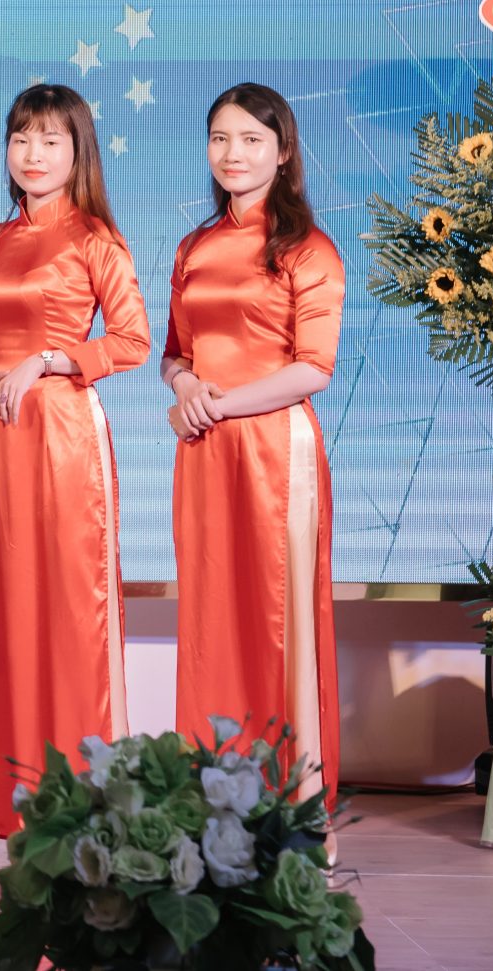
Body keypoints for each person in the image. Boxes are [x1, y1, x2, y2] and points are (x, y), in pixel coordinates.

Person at [0, 82, 149, 839]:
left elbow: (131, 341)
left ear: (78, 152)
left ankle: (84, 793)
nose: (32, 154)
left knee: (72, 610)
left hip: (66, 436)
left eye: (50, 140)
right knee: (7, 608)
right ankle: (17, 795)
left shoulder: (94, 238)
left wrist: (47, 358)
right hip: (0, 438)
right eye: (21, 139)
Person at [161, 84, 343, 793]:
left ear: (283, 150)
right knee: (210, 622)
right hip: (204, 454)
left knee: (275, 618)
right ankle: (210, 795)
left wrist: (217, 405)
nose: (232, 153)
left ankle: (288, 795)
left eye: (250, 139)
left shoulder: (308, 249)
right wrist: (186, 389)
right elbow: (175, 353)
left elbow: (313, 369)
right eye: (220, 138)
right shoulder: (194, 246)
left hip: (275, 456)